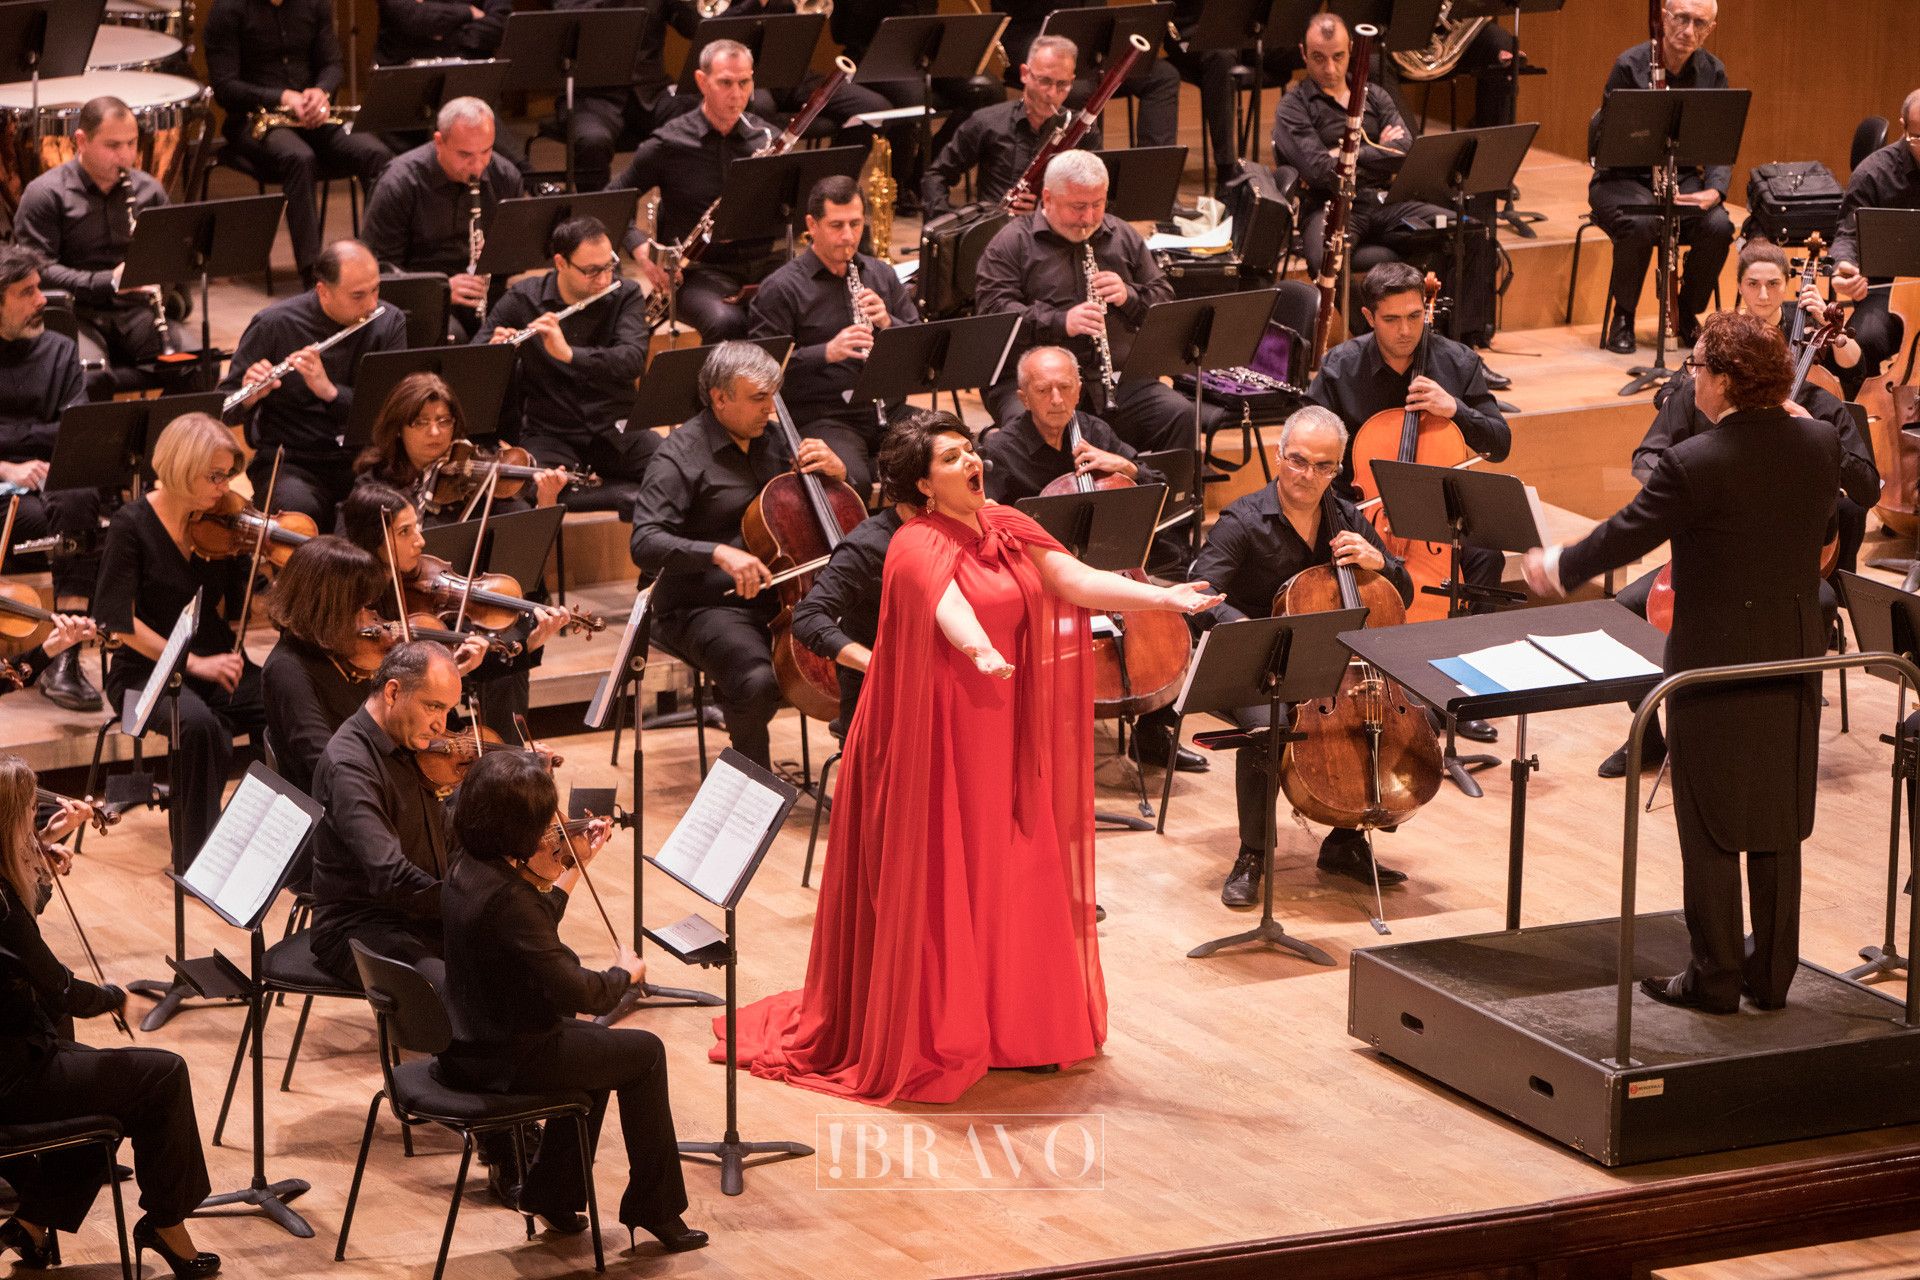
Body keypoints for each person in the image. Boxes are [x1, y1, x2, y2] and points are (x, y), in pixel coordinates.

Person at [728, 409, 1219, 1105]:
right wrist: (979, 649)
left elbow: (1076, 581)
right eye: (952, 457)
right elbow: (947, 603)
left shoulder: (1008, 524)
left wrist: (1163, 596)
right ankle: (948, 1030)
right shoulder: (911, 542)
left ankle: (1014, 1028)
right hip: (931, 731)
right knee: (948, 879)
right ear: (924, 485)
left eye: (969, 450)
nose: (971, 462)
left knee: (1011, 869)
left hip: (1001, 722)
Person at [1523, 313, 1837, 1014]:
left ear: (1723, 379)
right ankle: (1771, 976)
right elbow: (1820, 520)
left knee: (1709, 821)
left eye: (1697, 366)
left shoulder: (1696, 462)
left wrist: (1561, 565)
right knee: (1778, 815)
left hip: (1712, 659)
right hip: (1792, 654)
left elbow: (1628, 533)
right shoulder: (1819, 442)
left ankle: (1715, 977)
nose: (1691, 377)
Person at [1588, 251, 1879, 780]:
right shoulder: (1696, 397)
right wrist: (1680, 492)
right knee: (1625, 609)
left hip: (1786, 571)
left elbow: (1866, 490)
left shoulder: (1821, 408)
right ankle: (1650, 734)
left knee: (1818, 606)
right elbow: (1647, 456)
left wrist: (1816, 433)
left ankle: (1788, 743)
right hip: (1705, 559)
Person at [436, 750, 706, 1252]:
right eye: (543, 823)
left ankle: (552, 1196)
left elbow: (527, 937)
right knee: (645, 1053)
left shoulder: (467, 865)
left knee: (599, 1054)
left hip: (469, 1041)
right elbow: (581, 993)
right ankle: (655, 1207)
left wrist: (572, 869)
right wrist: (623, 974)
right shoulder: (511, 899)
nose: (550, 832)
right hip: (506, 1057)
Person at [0, 758, 220, 1279]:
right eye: (30, 813)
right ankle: (166, 1224)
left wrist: (37, 852)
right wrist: (115, 997)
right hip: (12, 1079)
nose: (36, 821)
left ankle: (32, 1224)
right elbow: (60, 987)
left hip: (14, 1057)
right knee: (163, 1075)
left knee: (110, 1092)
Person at [1192, 406, 1417, 904]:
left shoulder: (1348, 518)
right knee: (1268, 728)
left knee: (1393, 720)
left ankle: (1345, 840)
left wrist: (1382, 563)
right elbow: (1200, 595)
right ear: (1279, 456)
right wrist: (1249, 630)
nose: (1307, 475)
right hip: (1256, 667)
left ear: (1337, 469)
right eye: (1298, 460)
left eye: (1323, 466)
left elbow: (1401, 593)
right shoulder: (1243, 521)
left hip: (1333, 670)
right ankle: (1252, 853)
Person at [1306, 261, 1512, 744]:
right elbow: (1308, 439)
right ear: (1368, 317)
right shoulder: (1341, 368)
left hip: (1439, 516)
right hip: (1361, 513)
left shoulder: (1457, 363)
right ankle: (1370, 687)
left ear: (1426, 310)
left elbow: (1499, 443)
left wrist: (1455, 409)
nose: (1406, 330)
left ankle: (1464, 691)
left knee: (1486, 558)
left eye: (1415, 316)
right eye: (1392, 319)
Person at [981, 345, 1204, 773]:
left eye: (1065, 388)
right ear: (1023, 397)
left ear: (1080, 390)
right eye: (1044, 390)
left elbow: (1156, 488)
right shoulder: (1003, 450)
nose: (1057, 400)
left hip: (1111, 567)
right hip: (1041, 578)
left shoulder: (1094, 431)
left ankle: (1152, 734)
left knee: (1180, 617)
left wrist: (1126, 466)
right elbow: (986, 524)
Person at [629, 342, 848, 769]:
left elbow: (822, 509)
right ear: (720, 398)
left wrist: (838, 476)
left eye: (773, 396)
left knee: (860, 655)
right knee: (756, 682)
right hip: (703, 603)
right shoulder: (677, 458)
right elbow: (645, 542)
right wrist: (718, 553)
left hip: (783, 594)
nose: (770, 410)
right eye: (758, 398)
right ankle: (752, 789)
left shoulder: (777, 440)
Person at [92, 413, 266, 871]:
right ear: (182, 468)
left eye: (227, 475)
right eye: (214, 476)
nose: (224, 486)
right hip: (142, 675)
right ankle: (196, 861)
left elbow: (244, 603)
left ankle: (273, 842)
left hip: (214, 662)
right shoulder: (132, 525)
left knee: (282, 701)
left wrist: (264, 558)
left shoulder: (220, 524)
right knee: (201, 727)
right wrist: (192, 665)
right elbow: (117, 622)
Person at [975, 149, 1230, 455]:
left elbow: (1163, 299)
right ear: (1048, 198)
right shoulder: (1010, 243)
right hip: (1037, 385)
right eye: (1078, 207)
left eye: (1097, 205)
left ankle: (1160, 487)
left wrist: (1129, 296)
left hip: (1116, 380)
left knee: (1180, 415)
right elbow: (994, 313)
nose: (1089, 218)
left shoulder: (1121, 234)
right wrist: (1061, 322)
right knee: (1036, 435)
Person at [1270, 15, 1463, 332]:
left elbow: (1405, 151)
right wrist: (1377, 150)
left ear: (1351, 50)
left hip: (1384, 202)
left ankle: (1444, 337)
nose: (1330, 68)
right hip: (1330, 205)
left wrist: (1347, 153)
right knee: (1325, 258)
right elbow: (1320, 172)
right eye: (1318, 58)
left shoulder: (1375, 95)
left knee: (1459, 228)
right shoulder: (1293, 106)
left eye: (1338, 56)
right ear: (1303, 54)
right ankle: (1375, 337)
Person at [337, 482, 567, 738]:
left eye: (417, 527)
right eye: (404, 532)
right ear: (372, 540)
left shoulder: (416, 592)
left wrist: (530, 643)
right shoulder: (357, 608)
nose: (420, 541)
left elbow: (475, 664)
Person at [217, 240, 409, 528]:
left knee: (387, 513)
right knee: (299, 515)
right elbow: (223, 409)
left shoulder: (389, 322)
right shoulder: (274, 324)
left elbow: (393, 411)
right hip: (292, 460)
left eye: (376, 290)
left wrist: (329, 392)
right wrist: (250, 397)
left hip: (364, 459)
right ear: (323, 291)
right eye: (358, 295)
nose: (371, 304)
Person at [748, 176, 919, 498]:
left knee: (950, 447)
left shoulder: (880, 274)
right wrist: (826, 352)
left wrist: (887, 322)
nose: (848, 236)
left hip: (888, 411)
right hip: (825, 417)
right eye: (836, 225)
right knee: (849, 480)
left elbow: (919, 345)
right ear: (812, 225)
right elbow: (760, 371)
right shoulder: (781, 289)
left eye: (856, 224)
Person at [204, 0, 393, 288]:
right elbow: (225, 87)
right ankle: (313, 275)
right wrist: (282, 97)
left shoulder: (314, 3)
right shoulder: (227, 9)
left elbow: (332, 64)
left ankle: (377, 263)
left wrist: (321, 91)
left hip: (311, 116)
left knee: (375, 154)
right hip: (252, 120)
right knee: (299, 157)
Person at [11, 96, 188, 400]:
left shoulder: (149, 191)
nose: (126, 155)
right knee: (90, 375)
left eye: (132, 143)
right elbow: (40, 272)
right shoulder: (45, 194)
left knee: (196, 364)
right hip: (76, 313)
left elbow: (170, 258)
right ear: (81, 141)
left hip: (136, 313)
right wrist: (109, 281)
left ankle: (157, 430)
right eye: (113, 145)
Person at [307, 641, 464, 986]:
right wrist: (465, 906)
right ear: (393, 692)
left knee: (527, 968)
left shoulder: (412, 745)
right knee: (446, 990)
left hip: (419, 914)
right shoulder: (350, 767)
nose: (441, 726)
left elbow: (441, 836)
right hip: (361, 928)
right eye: (433, 707)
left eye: (448, 711)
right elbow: (390, 875)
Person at [478, 216, 654, 512]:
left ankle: (598, 491)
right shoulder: (524, 299)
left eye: (609, 266)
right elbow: (475, 359)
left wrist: (570, 354)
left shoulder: (625, 294)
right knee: (529, 488)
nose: (604, 280)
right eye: (591, 271)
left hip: (615, 426)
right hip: (551, 432)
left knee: (677, 470)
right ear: (561, 263)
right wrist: (496, 354)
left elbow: (631, 360)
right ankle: (619, 495)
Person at [611, 40, 782, 343]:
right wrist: (642, 250)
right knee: (726, 321)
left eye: (744, 83)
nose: (737, 94)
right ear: (702, 82)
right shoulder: (669, 144)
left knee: (806, 305)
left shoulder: (769, 139)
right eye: (725, 83)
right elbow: (613, 201)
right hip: (697, 272)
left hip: (766, 265)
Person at [1588, 0, 1733, 355]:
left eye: (1699, 23)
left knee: (1718, 226)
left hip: (1681, 178)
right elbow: (1607, 142)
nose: (1688, 30)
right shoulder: (1630, 66)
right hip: (1622, 178)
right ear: (1664, 18)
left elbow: (1721, 141)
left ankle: (1685, 312)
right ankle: (1623, 316)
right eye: (1681, 18)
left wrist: (1715, 190)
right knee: (1640, 223)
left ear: (1710, 29)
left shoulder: (1713, 72)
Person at [0, 244, 100, 711]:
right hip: (4, 493)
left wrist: (11, 439)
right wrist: (7, 465)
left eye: (39, 287)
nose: (43, 299)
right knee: (75, 528)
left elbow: (76, 430)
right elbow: (56, 430)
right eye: (27, 292)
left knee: (79, 500)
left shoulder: (60, 351)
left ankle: (67, 655)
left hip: (50, 484)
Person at [361, 97, 527, 340]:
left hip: (484, 295)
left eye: (486, 151)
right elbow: (379, 269)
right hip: (422, 299)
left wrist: (497, 254)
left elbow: (517, 259)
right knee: (453, 338)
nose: (477, 166)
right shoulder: (399, 184)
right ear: (439, 142)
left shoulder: (505, 177)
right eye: (465, 154)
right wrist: (442, 289)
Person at [920, 35, 1096, 218]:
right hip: (995, 230)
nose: (1052, 93)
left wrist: (1048, 209)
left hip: (1055, 232)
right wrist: (952, 224)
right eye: (1044, 81)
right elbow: (935, 176)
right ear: (1025, 74)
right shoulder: (987, 122)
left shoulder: (1082, 131)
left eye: (1062, 84)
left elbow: (1099, 197)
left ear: (1072, 81)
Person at [354, 371, 566, 523]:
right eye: (421, 422)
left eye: (444, 421)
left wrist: (546, 501)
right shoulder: (376, 481)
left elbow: (524, 536)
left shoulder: (474, 476)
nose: (435, 432)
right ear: (398, 428)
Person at [1829, 88, 1920, 398]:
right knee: (1863, 340)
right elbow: (1847, 235)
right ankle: (1862, 415)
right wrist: (1844, 267)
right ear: (1903, 127)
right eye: (1919, 138)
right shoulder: (1873, 173)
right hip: (1886, 288)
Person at [374, 0, 511, 64]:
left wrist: (444, 33)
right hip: (403, 76)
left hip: (471, 78)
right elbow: (406, 15)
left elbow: (501, 27)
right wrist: (468, 12)